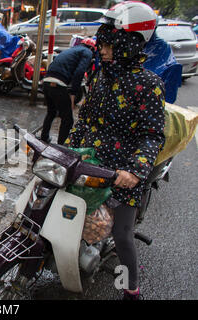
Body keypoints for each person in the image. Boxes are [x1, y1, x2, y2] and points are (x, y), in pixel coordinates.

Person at [64, 1, 165, 300]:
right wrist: (68, 150)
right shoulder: (101, 77)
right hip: (90, 165)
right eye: (102, 44)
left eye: (109, 45)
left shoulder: (150, 85)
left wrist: (134, 171)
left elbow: (152, 136)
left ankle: (131, 290)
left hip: (122, 173)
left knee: (122, 236)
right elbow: (85, 122)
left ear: (129, 44)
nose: (103, 50)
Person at [41, 37, 96, 145]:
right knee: (67, 119)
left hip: (46, 81)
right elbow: (80, 72)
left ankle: (44, 137)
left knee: (51, 112)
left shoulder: (72, 50)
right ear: (92, 48)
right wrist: (73, 92)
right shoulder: (87, 52)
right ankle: (61, 147)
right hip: (58, 83)